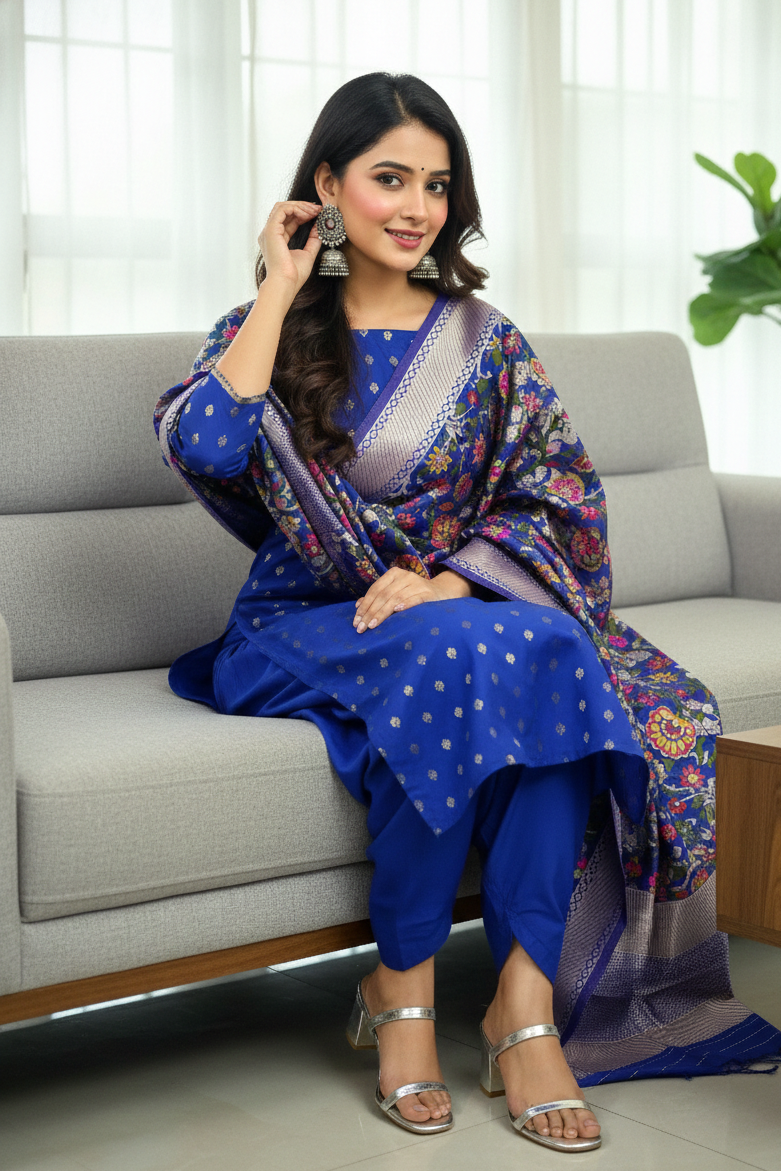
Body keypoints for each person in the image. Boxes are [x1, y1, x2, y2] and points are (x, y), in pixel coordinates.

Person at [155, 73, 781, 1151]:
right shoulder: (269, 330)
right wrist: (278, 284)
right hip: (304, 625)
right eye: (389, 178)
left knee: (538, 643)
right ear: (326, 186)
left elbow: (560, 499)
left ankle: (519, 1005)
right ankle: (404, 993)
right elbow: (208, 444)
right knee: (501, 652)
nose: (416, 208)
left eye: (436, 185)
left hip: (454, 621)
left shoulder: (485, 342)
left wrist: (449, 580)